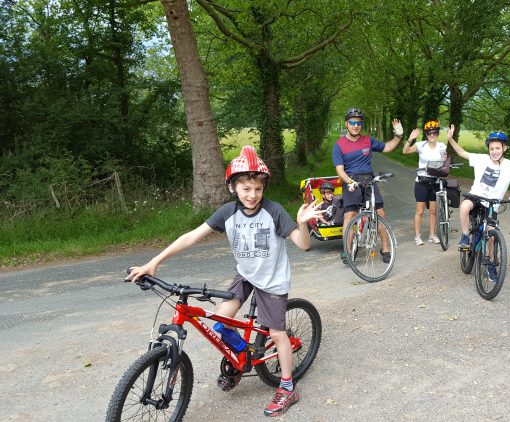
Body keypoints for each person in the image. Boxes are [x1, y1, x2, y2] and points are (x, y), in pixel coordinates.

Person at [126, 145, 325, 417]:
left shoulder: (274, 211)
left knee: (278, 334)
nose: (252, 195)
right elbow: (191, 236)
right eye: (245, 189)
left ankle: (288, 387)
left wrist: (302, 223)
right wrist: (154, 262)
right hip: (245, 275)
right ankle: (245, 355)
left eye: (257, 188)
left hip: (272, 281)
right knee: (221, 323)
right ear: (233, 188)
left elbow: (303, 245)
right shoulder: (227, 213)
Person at [446, 125, 510, 281]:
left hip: (492, 204)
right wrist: (450, 139)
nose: (494, 151)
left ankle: (491, 265)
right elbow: (462, 152)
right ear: (488, 149)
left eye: (498, 148)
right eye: (491, 148)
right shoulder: (481, 159)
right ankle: (465, 237)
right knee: (464, 207)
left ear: (505, 148)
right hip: (476, 197)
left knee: (491, 236)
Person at [332, 107, 404, 264]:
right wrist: (350, 182)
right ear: (346, 124)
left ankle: (385, 248)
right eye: (352, 122)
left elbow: (387, 147)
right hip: (351, 180)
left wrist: (398, 135)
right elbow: (340, 170)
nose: (355, 125)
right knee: (349, 215)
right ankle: (347, 250)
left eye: (358, 122)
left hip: (368, 179)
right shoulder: (339, 145)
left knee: (380, 213)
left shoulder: (368, 140)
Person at [402, 119, 447, 245]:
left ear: (437, 133)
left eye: (434, 132)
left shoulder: (442, 146)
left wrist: (444, 162)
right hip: (421, 181)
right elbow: (405, 151)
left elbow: (444, 162)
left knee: (433, 210)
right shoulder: (420, 145)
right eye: (429, 133)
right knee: (420, 211)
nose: (431, 135)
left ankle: (432, 235)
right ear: (426, 134)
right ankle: (417, 236)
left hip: (435, 182)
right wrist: (410, 139)